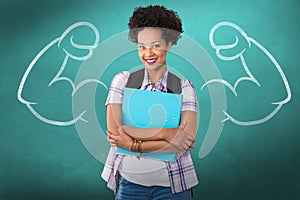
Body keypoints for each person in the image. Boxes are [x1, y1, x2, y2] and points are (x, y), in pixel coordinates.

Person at [102, 5, 199, 200]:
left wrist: (132, 144)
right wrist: (166, 133)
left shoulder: (184, 87)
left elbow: (184, 141)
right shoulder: (122, 81)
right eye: (142, 46)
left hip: (173, 187)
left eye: (156, 45)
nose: (148, 53)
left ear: (169, 44)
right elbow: (116, 133)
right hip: (130, 186)